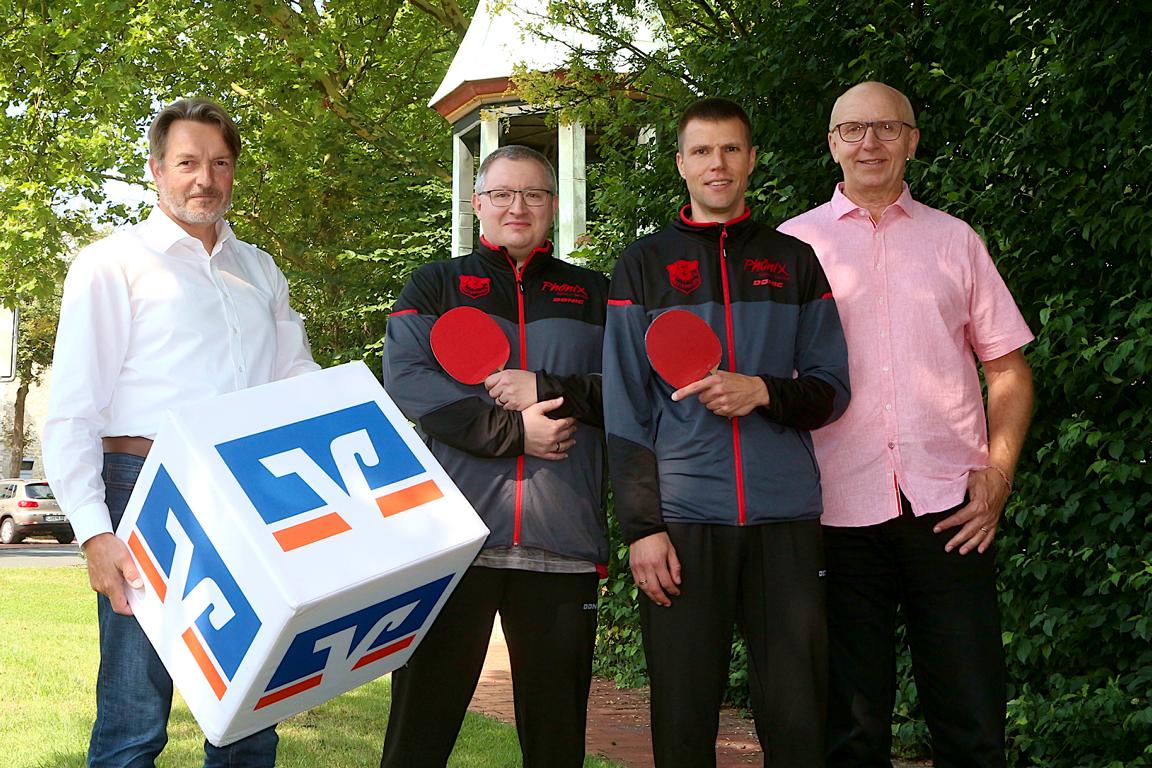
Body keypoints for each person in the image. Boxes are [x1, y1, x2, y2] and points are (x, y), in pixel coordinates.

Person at [42, 98, 319, 767]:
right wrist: (96, 533)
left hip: (250, 491)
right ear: (156, 170)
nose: (205, 178)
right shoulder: (111, 264)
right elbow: (72, 411)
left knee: (252, 703)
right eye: (188, 162)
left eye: (220, 163)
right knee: (136, 710)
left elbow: (297, 378)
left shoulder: (260, 270)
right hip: (144, 490)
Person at [779, 81, 1035, 768]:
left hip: (951, 508)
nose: (870, 143)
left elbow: (1008, 371)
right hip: (832, 507)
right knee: (851, 728)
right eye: (854, 129)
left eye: (887, 128)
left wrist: (999, 473)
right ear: (832, 144)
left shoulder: (956, 241)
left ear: (912, 142)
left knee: (971, 716)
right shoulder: (788, 249)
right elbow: (764, 387)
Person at [603, 97, 851, 767]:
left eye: (732, 149)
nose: (719, 163)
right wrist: (642, 528)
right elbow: (625, 408)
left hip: (785, 519)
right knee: (683, 721)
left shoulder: (795, 261)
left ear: (751, 160)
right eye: (703, 151)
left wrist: (762, 391)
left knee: (798, 718)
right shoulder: (643, 265)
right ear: (681, 163)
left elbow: (831, 390)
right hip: (684, 522)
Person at [379, 144, 608, 768]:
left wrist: (549, 387)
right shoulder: (435, 285)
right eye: (502, 193)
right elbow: (408, 384)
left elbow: (628, 392)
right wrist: (514, 433)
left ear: (553, 206)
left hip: (561, 546)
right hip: (455, 543)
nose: (518, 207)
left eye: (533, 194)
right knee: (417, 736)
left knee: (557, 744)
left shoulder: (592, 292)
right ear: (477, 203)